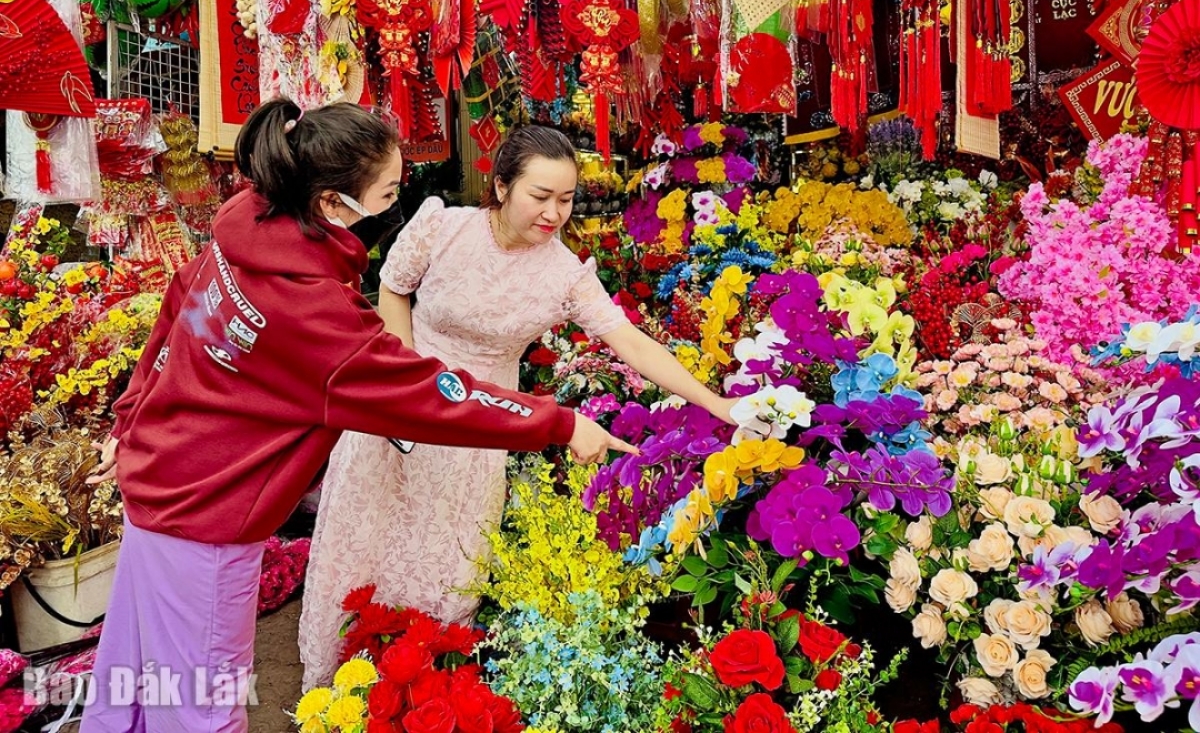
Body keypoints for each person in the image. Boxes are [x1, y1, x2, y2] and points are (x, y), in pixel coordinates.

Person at [79, 103, 633, 733]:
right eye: (390, 193)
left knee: (130, 683)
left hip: (155, 481)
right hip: (209, 516)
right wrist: (558, 422)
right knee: (201, 706)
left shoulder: (244, 228)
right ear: (333, 205)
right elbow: (433, 394)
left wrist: (129, 422)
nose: (398, 205)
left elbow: (179, 308)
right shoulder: (319, 319)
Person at [299, 124, 738, 689]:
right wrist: (403, 390)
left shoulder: (564, 275)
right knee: (365, 545)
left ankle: (417, 695)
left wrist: (713, 402)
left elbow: (629, 341)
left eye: (566, 199)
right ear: (502, 185)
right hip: (397, 412)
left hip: (477, 430)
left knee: (442, 565)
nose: (554, 213)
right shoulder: (443, 227)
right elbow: (394, 287)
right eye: (540, 196)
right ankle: (335, 693)